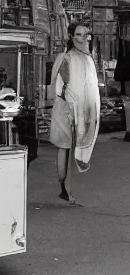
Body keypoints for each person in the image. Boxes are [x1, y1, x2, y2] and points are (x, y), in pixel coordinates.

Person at [51, 22, 101, 206]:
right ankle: (65, 189)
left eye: (85, 34)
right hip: (67, 110)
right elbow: (60, 89)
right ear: (71, 37)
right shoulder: (67, 58)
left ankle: (69, 191)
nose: (82, 38)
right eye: (78, 34)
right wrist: (71, 108)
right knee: (65, 148)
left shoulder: (88, 58)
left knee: (78, 148)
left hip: (85, 111)